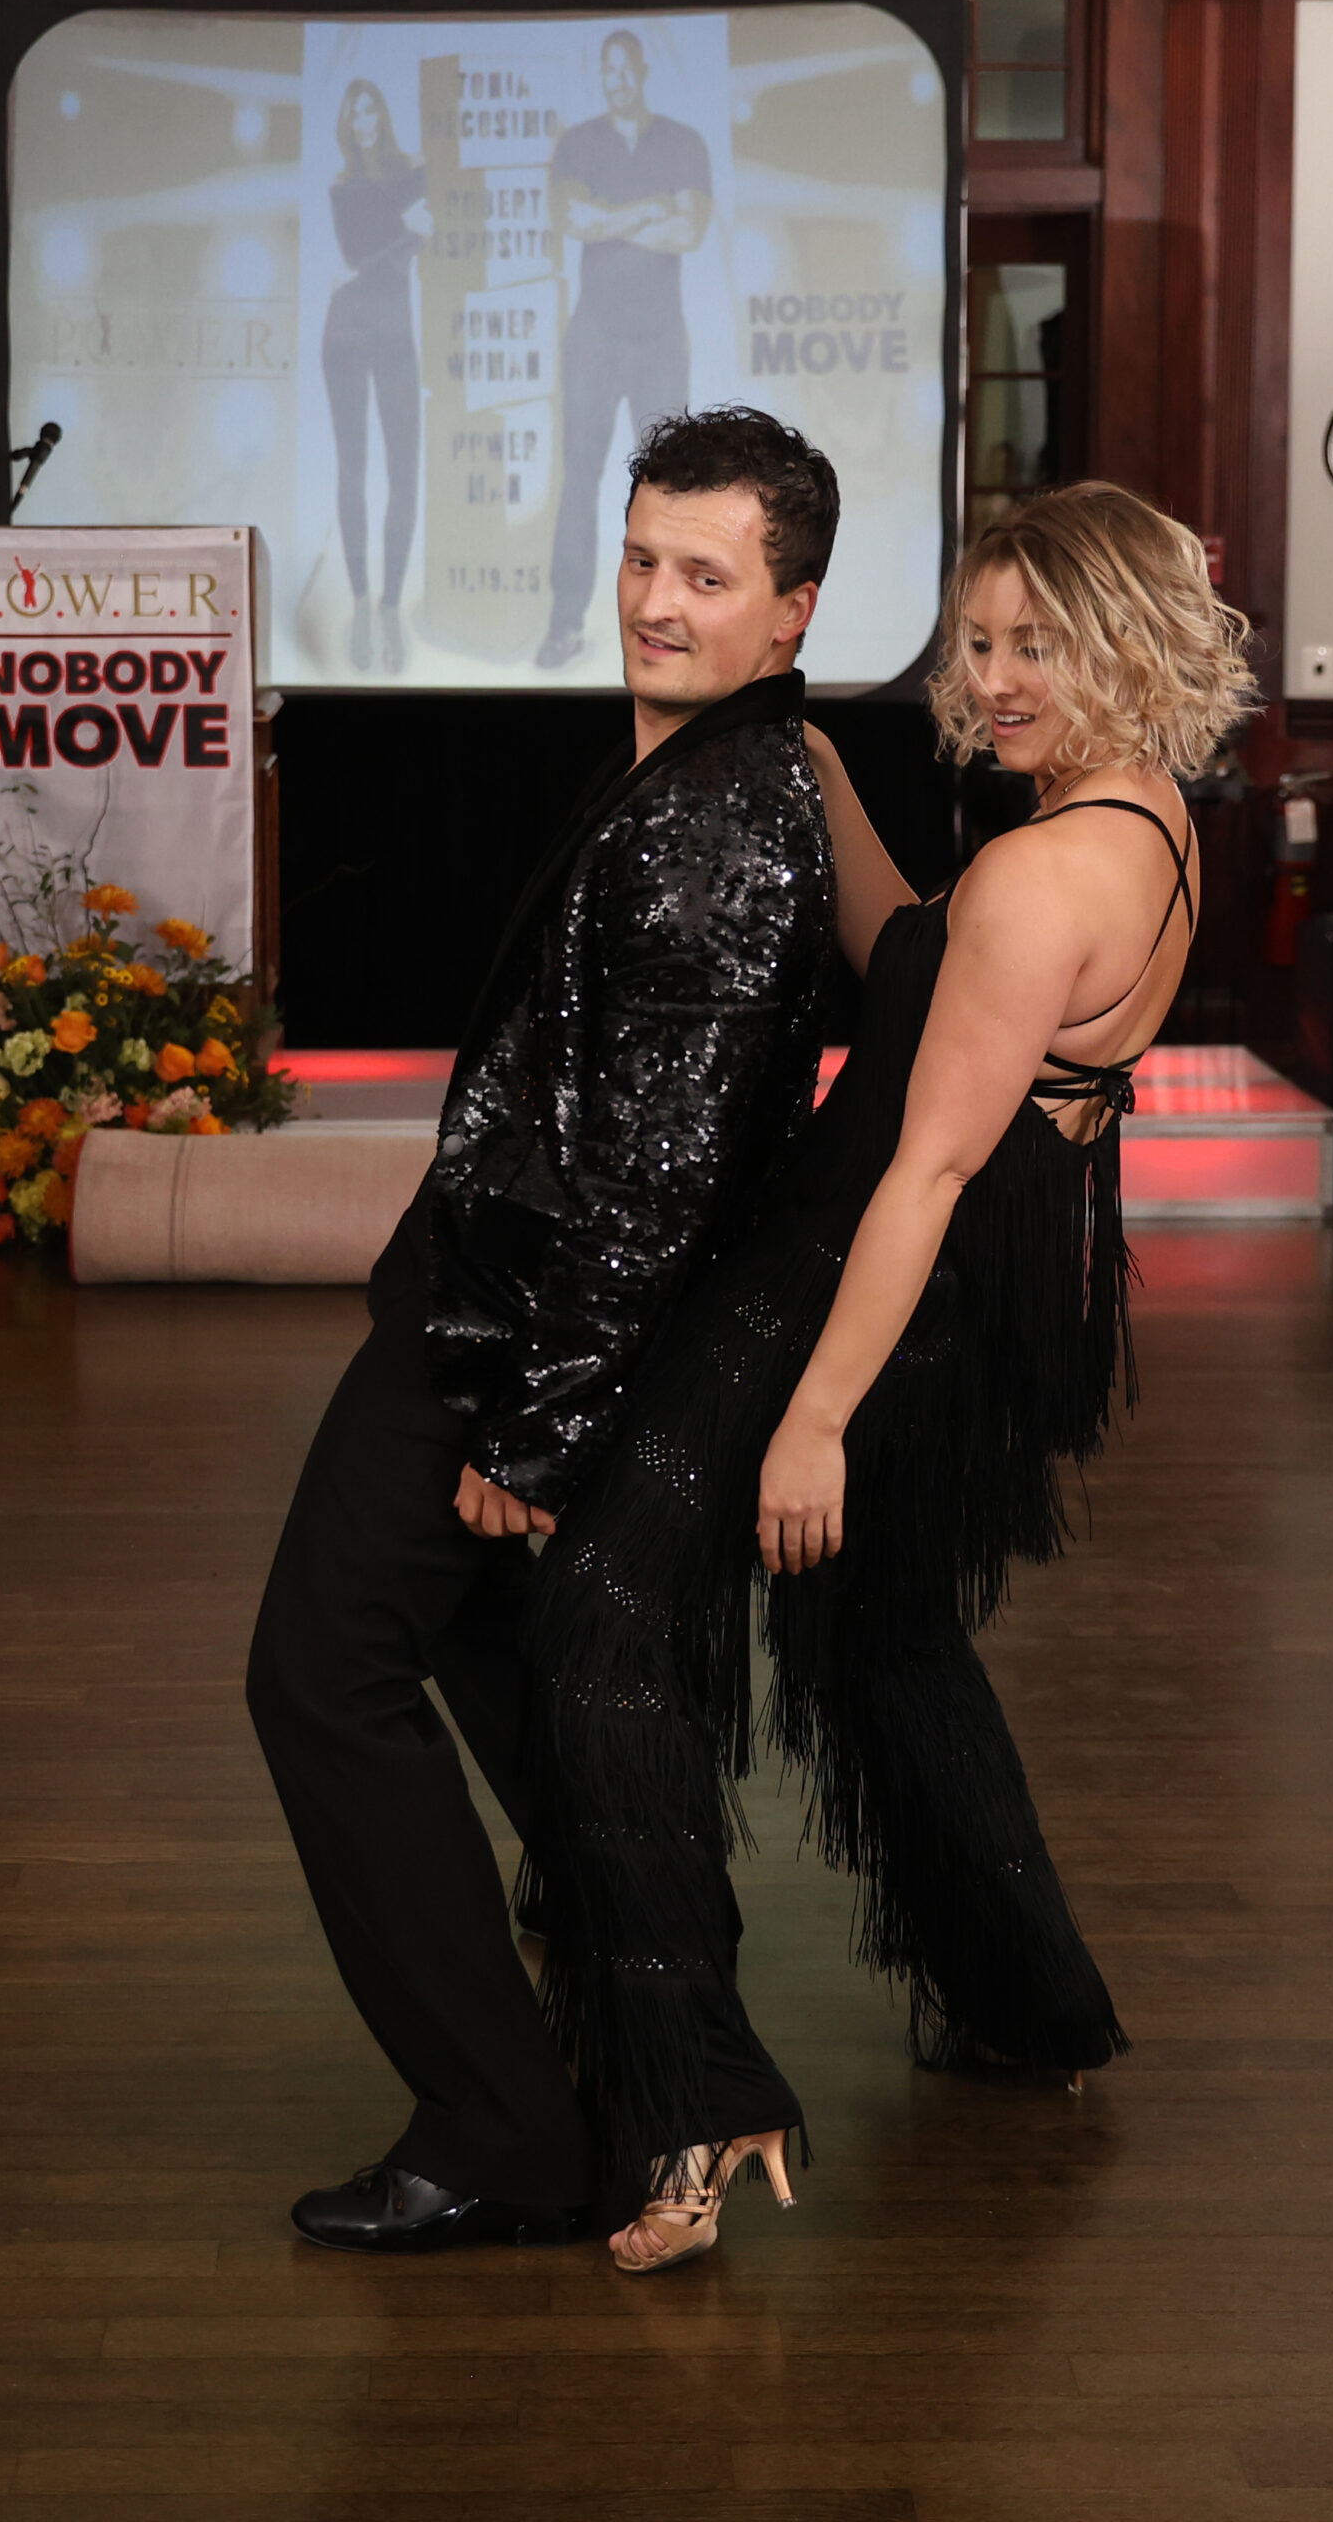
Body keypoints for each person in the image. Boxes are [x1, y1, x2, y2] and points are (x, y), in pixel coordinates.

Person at [510, 482, 1259, 2270]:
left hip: (871, 1273)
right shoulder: (1137, 817)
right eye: (978, 640)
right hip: (1000, 1269)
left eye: (1038, 644)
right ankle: (1027, 2000)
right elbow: (922, 965)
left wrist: (814, 1422)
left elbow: (920, 1166)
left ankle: (692, 2096)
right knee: (883, 1639)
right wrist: (822, 776)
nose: (993, 680)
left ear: (1127, 639)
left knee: (602, 1612)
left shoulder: (1040, 873)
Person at [246, 408, 842, 2254]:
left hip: (507, 1337)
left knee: (320, 1672)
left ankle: (504, 2127)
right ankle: (657, 2049)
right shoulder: (708, 767)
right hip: (500, 1308)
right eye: (643, 557)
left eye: (706, 576)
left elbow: (656, 1176)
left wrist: (538, 1429)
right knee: (507, 1676)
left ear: (792, 612)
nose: (656, 601)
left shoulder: (723, 823)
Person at [536, 32, 712, 671]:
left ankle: (677, 631)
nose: (615, 78)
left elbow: (688, 229)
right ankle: (564, 622)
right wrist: (647, 212)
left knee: (671, 491)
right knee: (579, 475)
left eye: (622, 67)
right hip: (594, 335)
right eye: (604, 69)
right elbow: (571, 219)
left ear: (640, 70)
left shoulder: (682, 142)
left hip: (660, 337)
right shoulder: (578, 143)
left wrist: (608, 217)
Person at [323, 79, 429, 677]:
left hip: (394, 335)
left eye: (370, 109)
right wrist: (405, 229)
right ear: (347, 125)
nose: (363, 121)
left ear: (382, 116)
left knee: (403, 470)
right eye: (353, 113)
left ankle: (390, 603)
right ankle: (361, 601)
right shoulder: (344, 189)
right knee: (353, 467)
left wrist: (406, 226)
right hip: (343, 332)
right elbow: (353, 253)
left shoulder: (413, 175)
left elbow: (424, 226)